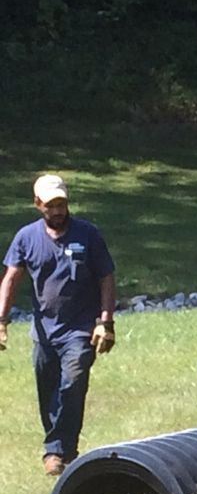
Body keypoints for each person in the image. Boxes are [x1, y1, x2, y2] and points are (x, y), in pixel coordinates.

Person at [0, 174, 116, 476]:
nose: (58, 211)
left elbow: (106, 277)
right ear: (38, 204)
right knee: (48, 390)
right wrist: (1, 320)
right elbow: (10, 280)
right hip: (43, 332)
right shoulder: (27, 237)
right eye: (51, 205)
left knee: (72, 385)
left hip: (80, 329)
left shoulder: (88, 234)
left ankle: (58, 451)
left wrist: (106, 321)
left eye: (62, 204)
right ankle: (61, 448)